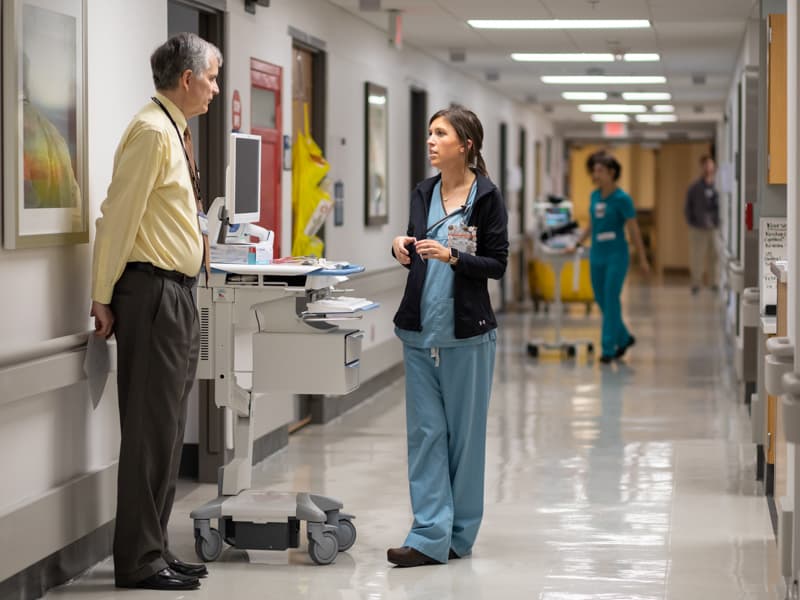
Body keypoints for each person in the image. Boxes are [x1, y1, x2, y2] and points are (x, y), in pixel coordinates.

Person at [90, 32, 220, 591]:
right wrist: (101, 294)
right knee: (148, 432)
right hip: (150, 295)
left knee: (167, 430)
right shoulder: (150, 131)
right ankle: (139, 561)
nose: (216, 88)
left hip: (176, 294)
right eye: (212, 77)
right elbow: (119, 217)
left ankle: (157, 548)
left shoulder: (173, 129)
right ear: (187, 79)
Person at [389, 105, 508, 567]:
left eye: (440, 134)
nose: (431, 141)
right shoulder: (423, 192)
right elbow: (414, 242)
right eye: (429, 134)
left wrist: (453, 257)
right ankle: (428, 535)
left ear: (467, 145)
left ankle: (459, 535)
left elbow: (497, 264)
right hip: (419, 331)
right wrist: (400, 246)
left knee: (465, 439)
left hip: (467, 335)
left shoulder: (486, 198)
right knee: (425, 435)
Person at [572, 152, 649, 364]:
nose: (595, 175)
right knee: (601, 299)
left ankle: (607, 347)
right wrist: (577, 243)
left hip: (617, 255)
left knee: (611, 297)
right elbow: (592, 225)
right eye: (593, 171)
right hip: (597, 254)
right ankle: (624, 337)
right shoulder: (594, 197)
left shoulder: (623, 199)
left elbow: (633, 230)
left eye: (599, 171)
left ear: (611, 173)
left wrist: (642, 259)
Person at [684, 155, 719, 294]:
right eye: (706, 165)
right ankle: (696, 283)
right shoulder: (695, 187)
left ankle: (712, 282)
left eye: (711, 165)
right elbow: (687, 207)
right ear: (702, 167)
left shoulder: (717, 186)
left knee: (713, 256)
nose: (708, 168)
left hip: (713, 227)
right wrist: (692, 221)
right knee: (697, 255)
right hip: (698, 227)